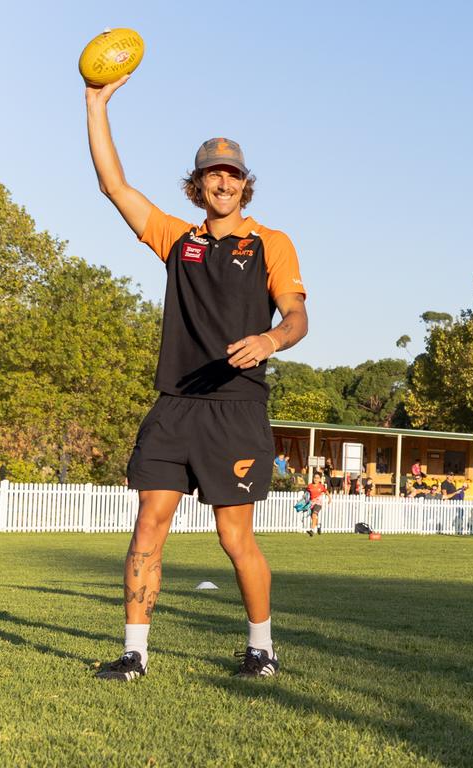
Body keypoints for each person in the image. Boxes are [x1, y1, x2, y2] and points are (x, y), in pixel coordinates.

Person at [87, 79, 308, 681]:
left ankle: (261, 647)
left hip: (235, 409)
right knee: (147, 525)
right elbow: (114, 187)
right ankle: (134, 653)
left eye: (233, 174)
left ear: (245, 183)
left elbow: (297, 317)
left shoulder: (271, 243)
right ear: (198, 183)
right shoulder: (176, 240)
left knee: (234, 538)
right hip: (174, 406)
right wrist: (96, 104)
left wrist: (269, 340)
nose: (224, 182)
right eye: (213, 173)